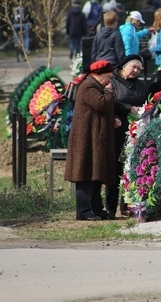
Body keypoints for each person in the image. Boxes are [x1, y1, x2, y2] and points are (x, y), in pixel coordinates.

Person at [64, 60, 118, 221]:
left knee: (96, 174)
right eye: (107, 77)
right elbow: (101, 104)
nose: (109, 81)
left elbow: (103, 110)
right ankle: (83, 211)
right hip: (86, 139)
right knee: (86, 174)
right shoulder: (88, 86)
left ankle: (96, 208)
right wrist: (109, 92)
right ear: (97, 75)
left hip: (95, 137)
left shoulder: (96, 86)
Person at [108, 54, 148, 219]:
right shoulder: (113, 82)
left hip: (136, 132)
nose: (136, 71)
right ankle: (110, 207)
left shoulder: (141, 85)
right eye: (133, 67)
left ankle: (129, 205)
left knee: (132, 167)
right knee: (115, 169)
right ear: (124, 67)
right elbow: (110, 101)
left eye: (139, 68)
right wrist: (128, 108)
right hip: (117, 129)